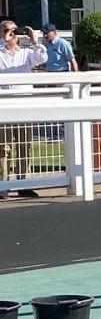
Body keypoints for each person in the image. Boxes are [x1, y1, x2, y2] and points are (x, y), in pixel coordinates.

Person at [1, 21, 47, 199]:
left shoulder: (27, 53)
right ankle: (3, 186)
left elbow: (42, 59)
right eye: (7, 31)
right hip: (4, 107)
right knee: (3, 148)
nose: (11, 34)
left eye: (14, 30)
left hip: (23, 106)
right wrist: (4, 40)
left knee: (24, 146)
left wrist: (34, 41)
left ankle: (23, 184)